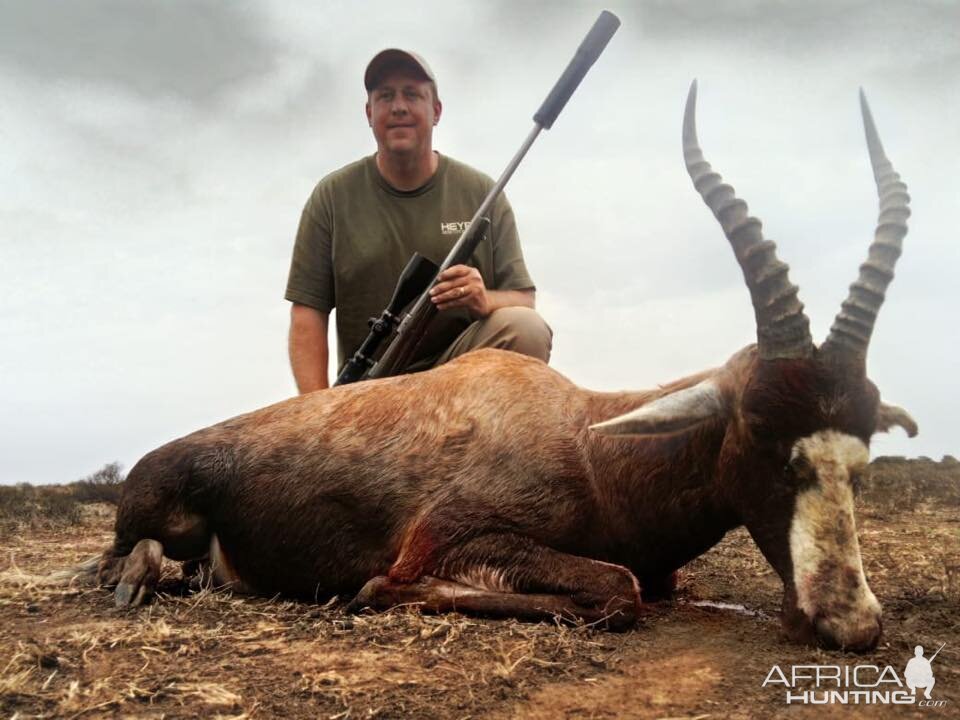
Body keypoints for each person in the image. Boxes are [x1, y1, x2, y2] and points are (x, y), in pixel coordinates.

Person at [285, 49, 552, 393]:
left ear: (436, 111)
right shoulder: (332, 196)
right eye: (385, 96)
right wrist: (317, 415)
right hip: (369, 390)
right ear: (369, 113)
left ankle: (488, 444)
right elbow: (308, 313)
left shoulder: (484, 193)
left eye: (412, 94)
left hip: (462, 382)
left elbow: (523, 300)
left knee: (524, 327)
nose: (399, 107)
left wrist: (484, 299)